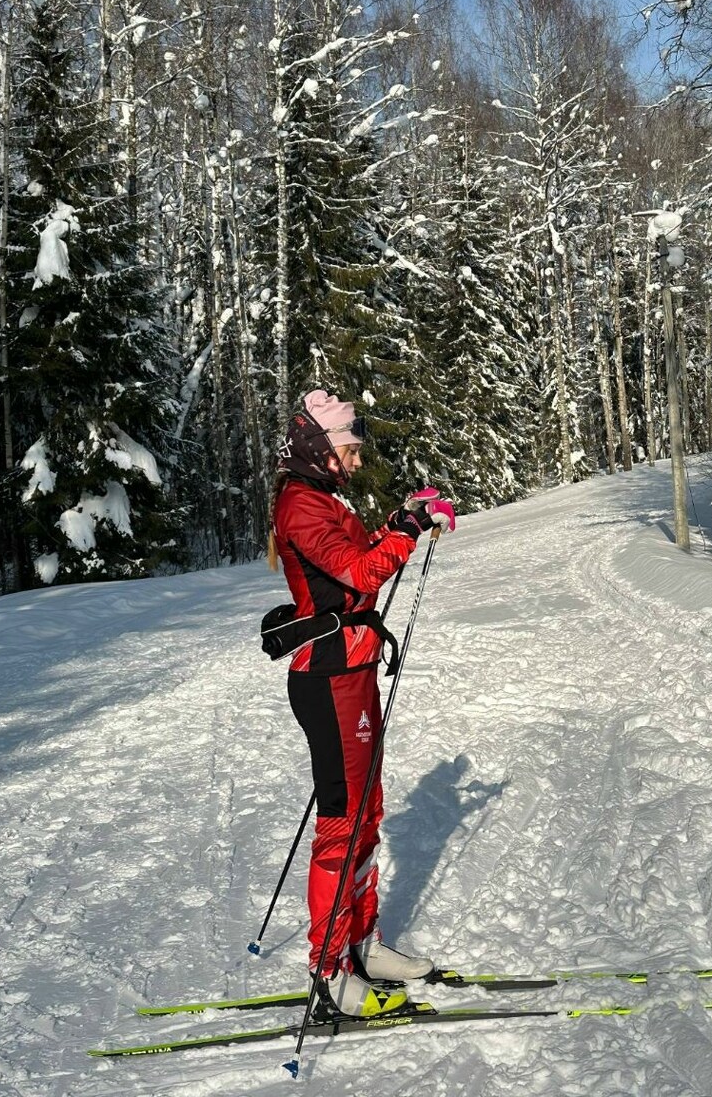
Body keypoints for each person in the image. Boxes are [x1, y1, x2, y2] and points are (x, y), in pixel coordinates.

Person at [268, 390, 454, 1019]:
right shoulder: (300, 505)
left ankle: (361, 944)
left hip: (354, 669)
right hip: (326, 679)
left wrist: (406, 513)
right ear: (320, 449)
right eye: (347, 448)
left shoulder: (325, 498)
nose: (354, 459)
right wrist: (406, 529)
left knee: (368, 813)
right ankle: (328, 971)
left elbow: (358, 557)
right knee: (342, 823)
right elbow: (362, 573)